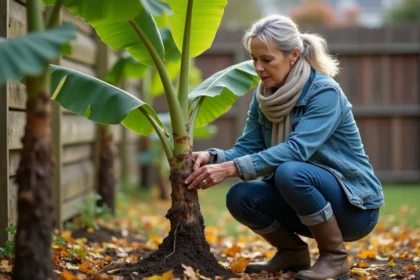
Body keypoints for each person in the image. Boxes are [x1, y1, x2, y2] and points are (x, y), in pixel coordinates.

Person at [185, 14, 383, 280]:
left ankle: (335, 258)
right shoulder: (265, 96)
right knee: (241, 196)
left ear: (293, 55)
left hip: (355, 208)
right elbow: (248, 147)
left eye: (267, 59)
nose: (258, 67)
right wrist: (212, 157)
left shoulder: (324, 93)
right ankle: (292, 254)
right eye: (254, 59)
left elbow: (297, 150)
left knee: (290, 171)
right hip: (304, 197)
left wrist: (230, 168)